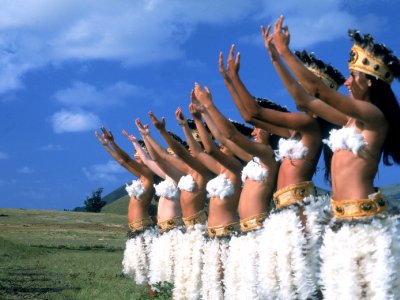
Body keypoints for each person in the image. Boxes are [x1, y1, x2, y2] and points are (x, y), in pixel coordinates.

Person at [272, 15, 400, 298]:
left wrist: (285, 51)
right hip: (339, 222)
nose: (347, 81)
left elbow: (319, 90)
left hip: (366, 224)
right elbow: (306, 99)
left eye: (353, 76)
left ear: (369, 83)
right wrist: (275, 58)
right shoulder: (347, 120)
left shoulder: (375, 118)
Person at [192, 81, 280, 298]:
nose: (254, 133)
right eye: (255, 129)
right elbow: (216, 143)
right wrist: (199, 117)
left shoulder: (269, 157)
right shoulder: (250, 162)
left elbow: (230, 137)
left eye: (260, 129)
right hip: (244, 233)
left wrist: (209, 106)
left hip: (259, 232)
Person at [148, 111, 212, 300]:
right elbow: (160, 158)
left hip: (198, 231)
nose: (191, 151)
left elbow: (185, 153)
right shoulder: (186, 173)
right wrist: (148, 135)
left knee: (197, 279)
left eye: (195, 146)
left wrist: (179, 128)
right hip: (186, 231)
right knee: (182, 279)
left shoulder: (206, 171)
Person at [187, 92, 243, 300]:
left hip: (227, 236)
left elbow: (210, 147)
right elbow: (201, 152)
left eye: (225, 145)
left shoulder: (237, 169)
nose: (221, 147)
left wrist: (201, 117)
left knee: (226, 286)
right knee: (211, 288)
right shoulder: (221, 170)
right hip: (211, 236)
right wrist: (190, 123)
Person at [95, 127, 155, 286]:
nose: (136, 158)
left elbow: (126, 160)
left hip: (143, 228)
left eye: (139, 155)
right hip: (135, 229)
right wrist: (106, 145)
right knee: (142, 270)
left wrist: (113, 142)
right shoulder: (141, 176)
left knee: (148, 270)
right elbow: (122, 161)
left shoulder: (149, 174)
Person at [132, 118, 185, 294]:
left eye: (173, 154)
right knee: (158, 274)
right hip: (162, 231)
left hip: (174, 230)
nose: (169, 157)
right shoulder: (167, 175)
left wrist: (147, 136)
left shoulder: (182, 176)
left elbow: (159, 157)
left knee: (173, 274)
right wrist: (140, 139)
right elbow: (149, 161)